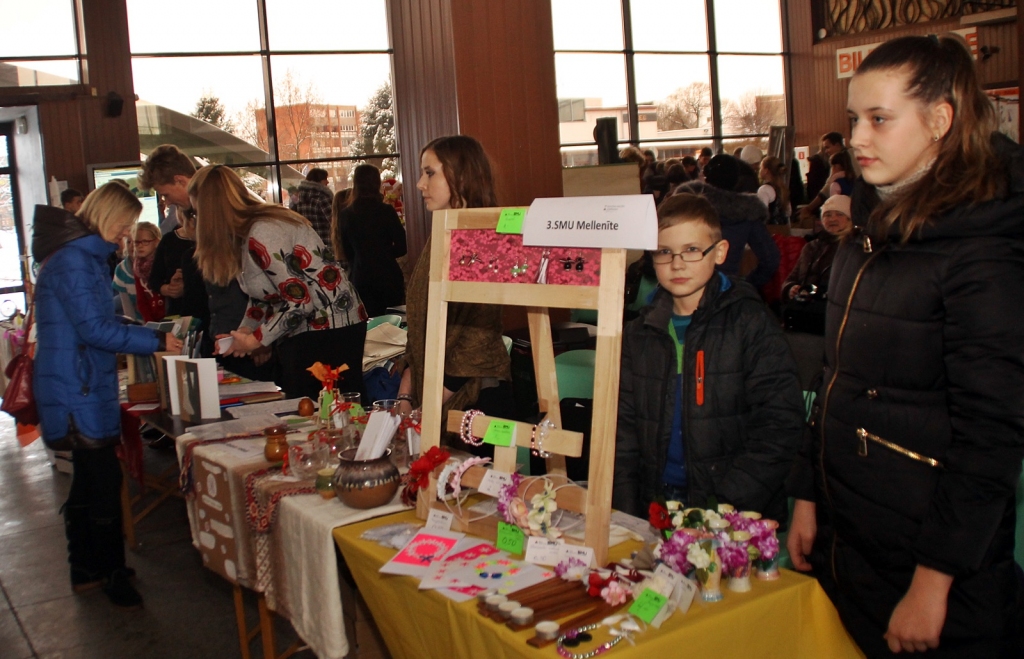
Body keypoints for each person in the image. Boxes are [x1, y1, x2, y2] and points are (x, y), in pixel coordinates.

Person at [786, 35, 1024, 658]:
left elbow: (991, 436)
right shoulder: (865, 235)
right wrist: (809, 493)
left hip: (935, 577)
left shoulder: (985, 252)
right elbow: (834, 380)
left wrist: (932, 583)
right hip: (855, 545)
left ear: (940, 120)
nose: (857, 139)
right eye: (853, 120)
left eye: (879, 120)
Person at [32, 183, 183, 607]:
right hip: (76, 388)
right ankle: (109, 571)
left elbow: (101, 320)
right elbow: (95, 330)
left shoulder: (78, 257)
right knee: (102, 483)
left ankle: (86, 567)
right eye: (123, 225)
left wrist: (143, 332)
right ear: (106, 217)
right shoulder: (76, 262)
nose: (126, 234)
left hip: (78, 383)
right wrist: (155, 343)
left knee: (87, 484)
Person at [612, 193, 802, 520]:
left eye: (692, 250)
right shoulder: (639, 333)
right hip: (656, 503)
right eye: (664, 252)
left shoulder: (750, 323)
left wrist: (719, 509)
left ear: (720, 253)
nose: (677, 264)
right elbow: (623, 433)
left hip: (732, 507)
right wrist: (625, 513)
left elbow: (779, 425)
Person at [190, 165, 367, 399]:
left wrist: (254, 341)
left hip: (330, 327)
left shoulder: (262, 231)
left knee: (319, 407)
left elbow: (300, 302)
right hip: (313, 328)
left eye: (195, 212)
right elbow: (263, 296)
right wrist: (243, 332)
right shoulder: (248, 232)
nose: (195, 220)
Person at [396, 135, 513, 429]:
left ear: (460, 175)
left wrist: (428, 406)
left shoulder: (486, 241)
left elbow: (476, 340)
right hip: (436, 394)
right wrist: (405, 397)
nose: (420, 184)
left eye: (430, 172)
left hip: (476, 401)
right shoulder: (442, 233)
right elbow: (419, 325)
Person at [675, 154, 781, 290]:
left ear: (706, 176)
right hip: (725, 290)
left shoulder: (685, 204)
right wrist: (746, 285)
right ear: (737, 179)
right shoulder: (747, 211)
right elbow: (771, 259)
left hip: (684, 287)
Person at [333, 164, 407, 317]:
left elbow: (347, 251)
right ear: (377, 183)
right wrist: (383, 253)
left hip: (361, 277)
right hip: (388, 275)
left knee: (369, 326)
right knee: (394, 324)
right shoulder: (386, 211)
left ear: (356, 184)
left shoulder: (347, 214)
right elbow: (402, 247)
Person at [111, 221, 164, 322]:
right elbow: (128, 308)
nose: (134, 246)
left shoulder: (161, 263)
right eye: (129, 242)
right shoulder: (124, 269)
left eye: (143, 241)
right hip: (142, 321)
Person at [289, 167, 333, 246]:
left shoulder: (297, 198)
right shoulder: (322, 198)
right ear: (318, 181)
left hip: (305, 242)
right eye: (325, 179)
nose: (327, 182)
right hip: (324, 242)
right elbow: (333, 220)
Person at [757, 156, 791, 225]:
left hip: (770, 231)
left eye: (761, 168)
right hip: (784, 231)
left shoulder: (764, 189)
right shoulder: (782, 189)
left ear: (766, 170)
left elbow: (762, 214)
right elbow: (789, 212)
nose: (759, 170)